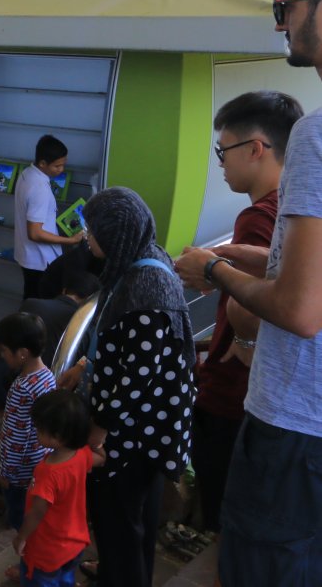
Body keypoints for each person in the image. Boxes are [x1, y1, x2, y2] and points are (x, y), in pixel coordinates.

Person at [173, 0, 322, 586]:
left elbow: (299, 307)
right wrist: (246, 255)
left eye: (286, 6)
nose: (281, 24)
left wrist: (214, 271)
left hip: (294, 422)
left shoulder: (318, 135)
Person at [191, 91, 299, 533]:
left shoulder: (256, 217)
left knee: (222, 513)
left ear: (255, 149)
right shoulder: (292, 209)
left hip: (233, 393)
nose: (221, 162)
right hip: (265, 394)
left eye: (224, 150)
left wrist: (212, 270)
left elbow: (251, 306)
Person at [83, 186, 194, 587]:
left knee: (118, 520)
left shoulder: (146, 294)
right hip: (145, 429)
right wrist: (84, 366)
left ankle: (123, 574)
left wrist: (99, 428)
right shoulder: (141, 261)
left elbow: (136, 381)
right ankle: (120, 570)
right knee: (136, 517)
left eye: (91, 230)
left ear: (115, 234)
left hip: (135, 432)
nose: (86, 237)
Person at [0, 271, 100, 413]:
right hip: (58, 394)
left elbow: (11, 346)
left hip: (20, 383)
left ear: (64, 290)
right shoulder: (89, 328)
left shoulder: (32, 304)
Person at [12, 390, 105, 587]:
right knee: (65, 579)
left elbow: (37, 512)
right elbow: (103, 458)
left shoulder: (48, 473)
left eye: (39, 429)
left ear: (57, 437)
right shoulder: (81, 455)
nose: (36, 432)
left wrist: (22, 537)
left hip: (46, 550)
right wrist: (95, 441)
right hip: (74, 544)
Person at [0, 313, 57, 556]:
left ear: (21, 353)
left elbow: (17, 437)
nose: (1, 355)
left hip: (19, 474)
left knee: (21, 521)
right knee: (35, 519)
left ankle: (31, 564)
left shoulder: (22, 387)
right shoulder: (47, 375)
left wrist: (5, 472)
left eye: (3, 350)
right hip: (38, 465)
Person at [14, 135, 84, 299]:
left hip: (28, 256)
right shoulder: (39, 189)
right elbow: (35, 233)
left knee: (31, 300)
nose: (61, 170)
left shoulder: (27, 173)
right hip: (40, 260)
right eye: (57, 166)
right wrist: (71, 240)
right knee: (39, 307)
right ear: (42, 163)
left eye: (63, 164)